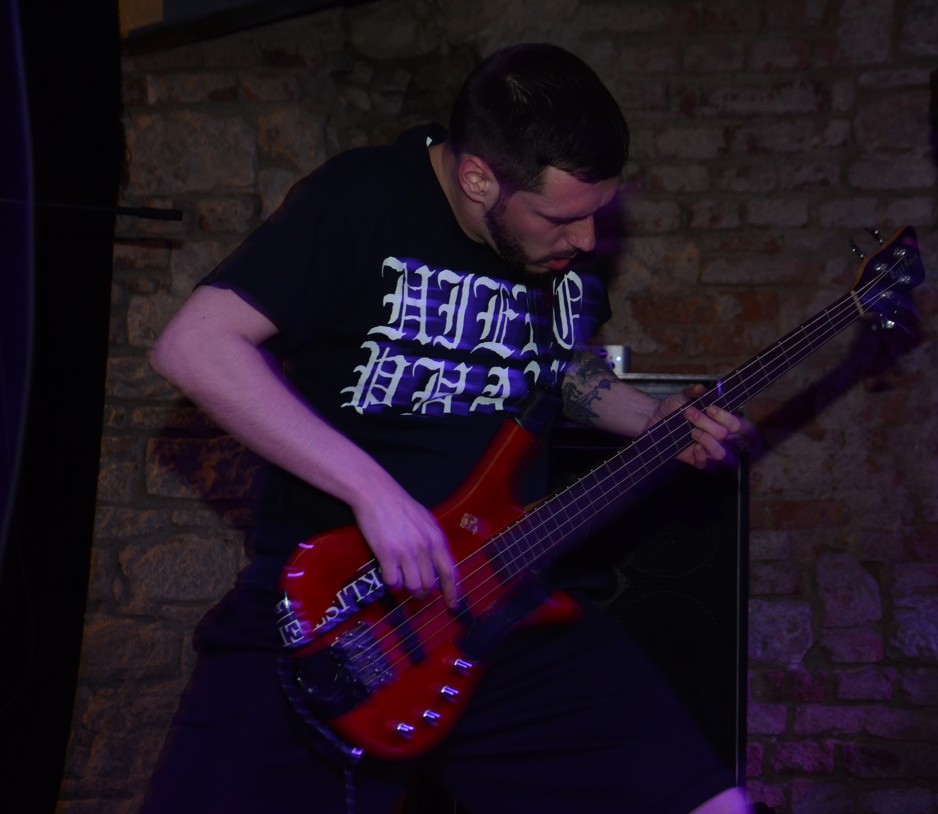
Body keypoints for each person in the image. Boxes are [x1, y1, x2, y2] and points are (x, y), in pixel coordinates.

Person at [143, 43, 752, 814]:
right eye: (561, 217)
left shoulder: (553, 254)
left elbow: (547, 371)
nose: (585, 241)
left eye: (596, 215)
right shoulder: (362, 200)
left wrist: (650, 419)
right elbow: (195, 345)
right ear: (478, 179)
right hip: (341, 614)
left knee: (711, 805)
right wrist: (373, 492)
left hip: (504, 602)